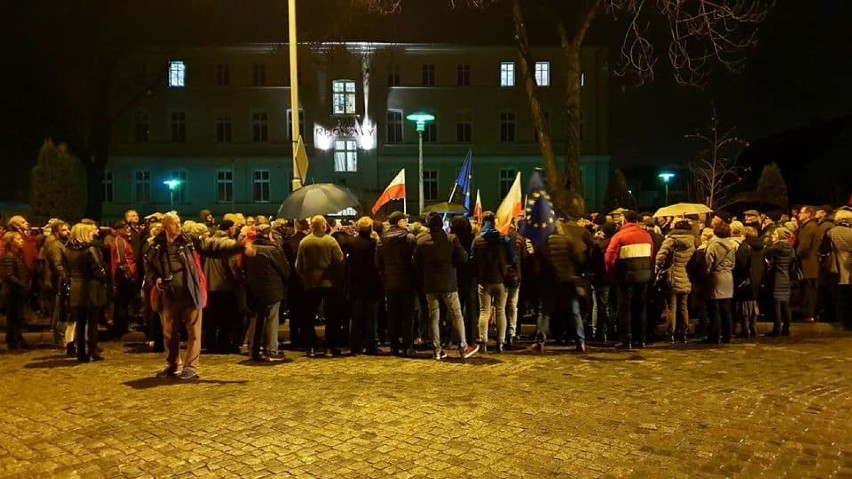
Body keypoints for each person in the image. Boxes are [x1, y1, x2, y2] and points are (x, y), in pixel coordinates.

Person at [145, 212, 253, 380]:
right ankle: (173, 364)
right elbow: (149, 269)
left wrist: (239, 246)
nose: (178, 226)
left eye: (179, 222)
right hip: (168, 295)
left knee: (194, 332)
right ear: (165, 227)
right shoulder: (156, 247)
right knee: (170, 334)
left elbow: (214, 245)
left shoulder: (190, 241)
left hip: (190, 292)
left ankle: (191, 367)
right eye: (174, 224)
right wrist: (156, 279)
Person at [413, 213, 479, 360]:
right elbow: (463, 258)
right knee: (456, 315)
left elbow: (416, 262)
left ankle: (436, 349)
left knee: (433, 317)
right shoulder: (451, 239)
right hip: (449, 282)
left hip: (430, 283)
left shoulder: (421, 241)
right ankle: (463, 347)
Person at [295, 215, 345, 358]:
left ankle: (311, 346)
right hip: (328, 283)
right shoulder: (330, 241)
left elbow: (298, 265)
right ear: (324, 226)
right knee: (332, 316)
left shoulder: (305, 242)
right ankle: (330, 346)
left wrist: (304, 277)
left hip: (310, 283)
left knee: (309, 316)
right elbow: (339, 259)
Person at [533, 219, 586, 353]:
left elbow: (537, 264)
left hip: (549, 282)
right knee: (575, 312)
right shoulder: (568, 241)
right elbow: (579, 259)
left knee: (545, 313)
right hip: (568, 280)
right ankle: (581, 342)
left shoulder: (543, 243)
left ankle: (540, 342)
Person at [605, 210, 654, 349]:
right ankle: (641, 339)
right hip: (643, 275)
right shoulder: (646, 235)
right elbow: (651, 254)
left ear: (625, 220)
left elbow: (609, 258)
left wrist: (612, 273)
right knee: (640, 308)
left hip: (625, 276)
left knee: (625, 309)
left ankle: (626, 339)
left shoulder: (620, 236)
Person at [244, 224, 290, 362]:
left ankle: (254, 348)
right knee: (272, 319)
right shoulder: (273, 250)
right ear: (269, 234)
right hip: (272, 289)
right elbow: (285, 269)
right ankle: (272, 350)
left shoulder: (249, 249)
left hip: (254, 289)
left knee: (256, 319)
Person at [63, 223, 108, 362]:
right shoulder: (90, 249)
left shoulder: (68, 249)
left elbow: (67, 268)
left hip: (76, 287)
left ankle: (81, 353)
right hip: (91, 288)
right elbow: (98, 269)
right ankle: (92, 351)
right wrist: (104, 276)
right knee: (92, 324)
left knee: (80, 323)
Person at [376, 211, 418, 357]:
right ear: (399, 222)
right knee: (408, 316)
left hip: (390, 282)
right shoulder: (409, 238)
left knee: (393, 315)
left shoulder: (382, 240)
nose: (406, 223)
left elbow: (378, 263)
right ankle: (408, 346)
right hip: (407, 281)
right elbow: (415, 260)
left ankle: (394, 346)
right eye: (404, 221)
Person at [471, 212, 513, 353]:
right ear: (494, 221)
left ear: (483, 221)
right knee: (501, 311)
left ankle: (483, 341)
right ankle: (500, 342)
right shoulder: (504, 239)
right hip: (501, 280)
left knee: (484, 311)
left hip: (484, 280)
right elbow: (512, 259)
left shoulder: (477, 240)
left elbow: (472, 260)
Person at [341, 217, 382, 355]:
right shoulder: (373, 243)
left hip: (355, 284)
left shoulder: (350, 243)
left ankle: (355, 345)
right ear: (370, 229)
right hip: (371, 284)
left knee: (356, 316)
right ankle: (370, 345)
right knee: (371, 317)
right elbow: (377, 265)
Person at [655, 220, 696, 343]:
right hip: (685, 275)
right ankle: (683, 333)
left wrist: (657, 269)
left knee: (671, 307)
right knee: (683, 306)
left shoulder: (671, 241)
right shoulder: (693, 241)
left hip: (672, 276)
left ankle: (670, 333)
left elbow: (660, 257)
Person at [704, 222, 737, 345]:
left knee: (714, 308)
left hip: (716, 277)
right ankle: (727, 335)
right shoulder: (732, 245)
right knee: (726, 308)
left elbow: (708, 262)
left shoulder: (713, 245)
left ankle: (714, 335)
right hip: (728, 277)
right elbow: (733, 263)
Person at [734, 226, 765, 340]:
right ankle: (753, 328)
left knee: (744, 306)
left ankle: (745, 329)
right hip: (757, 278)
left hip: (745, 279)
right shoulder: (760, 246)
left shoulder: (745, 246)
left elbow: (741, 263)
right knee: (753, 303)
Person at [1, 231, 31, 351]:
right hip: (11, 292)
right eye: (18, 239)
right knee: (13, 318)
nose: (21, 241)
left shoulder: (17, 255)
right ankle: (13, 342)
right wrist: (22, 285)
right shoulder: (8, 256)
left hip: (17, 291)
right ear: (11, 242)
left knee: (17, 317)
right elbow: (9, 275)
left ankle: (18, 340)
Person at [109, 220, 138, 340]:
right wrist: (129, 274)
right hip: (123, 277)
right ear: (119, 229)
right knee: (122, 303)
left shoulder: (123, 240)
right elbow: (121, 260)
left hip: (122, 276)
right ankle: (121, 327)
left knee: (121, 303)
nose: (128, 230)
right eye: (125, 228)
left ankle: (120, 326)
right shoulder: (120, 241)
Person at [765, 228, 795, 336]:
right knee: (786, 304)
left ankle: (776, 329)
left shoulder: (775, 248)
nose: (773, 235)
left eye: (775, 234)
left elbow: (765, 254)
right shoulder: (791, 249)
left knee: (776, 305)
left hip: (776, 277)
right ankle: (786, 328)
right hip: (786, 277)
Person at [826, 209, 851, 330]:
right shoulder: (849, 233)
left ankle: (840, 320)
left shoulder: (831, 232)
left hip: (836, 266)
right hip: (848, 266)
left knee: (839, 294)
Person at [795, 206, 821, 322]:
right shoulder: (812, 226)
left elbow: (804, 246)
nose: (798, 215)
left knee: (808, 290)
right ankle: (810, 313)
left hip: (807, 263)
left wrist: (795, 255)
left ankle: (808, 314)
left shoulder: (809, 227)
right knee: (809, 289)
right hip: (811, 263)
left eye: (801, 213)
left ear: (808, 214)